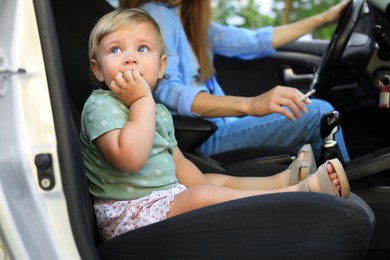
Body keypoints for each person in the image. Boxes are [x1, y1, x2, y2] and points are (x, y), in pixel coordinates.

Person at [80, 8, 350, 241]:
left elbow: (177, 161)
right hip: (129, 215)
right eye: (116, 49)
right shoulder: (102, 105)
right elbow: (131, 159)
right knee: (202, 197)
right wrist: (141, 100)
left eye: (142, 49)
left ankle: (281, 180)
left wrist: (205, 186)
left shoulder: (156, 111)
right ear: (98, 69)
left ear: (162, 66)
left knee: (210, 182)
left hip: (159, 198)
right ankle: (296, 195)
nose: (130, 58)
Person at [120, 0, 352, 163]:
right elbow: (167, 90)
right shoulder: (155, 13)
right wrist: (250, 105)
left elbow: (255, 41)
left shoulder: (193, 25)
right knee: (318, 113)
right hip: (201, 137)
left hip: (218, 127)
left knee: (314, 110)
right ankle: (350, 193)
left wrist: (326, 18)